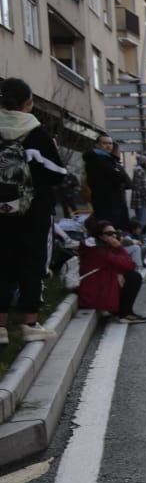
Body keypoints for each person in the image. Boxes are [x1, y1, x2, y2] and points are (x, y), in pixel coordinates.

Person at [0, 78, 69, 342]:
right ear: (28, 103)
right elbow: (59, 174)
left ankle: (1, 327)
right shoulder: (37, 134)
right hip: (34, 211)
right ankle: (30, 323)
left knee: (2, 263)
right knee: (33, 263)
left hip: (1, 212)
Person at [77, 217, 146, 323]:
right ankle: (124, 314)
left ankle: (125, 313)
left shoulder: (102, 247)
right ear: (100, 236)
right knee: (134, 277)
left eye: (114, 233)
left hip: (97, 288)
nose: (114, 235)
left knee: (130, 275)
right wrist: (120, 248)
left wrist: (119, 273)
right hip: (95, 293)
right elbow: (130, 265)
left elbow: (125, 266)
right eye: (109, 233)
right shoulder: (98, 250)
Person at [83, 134, 130, 229]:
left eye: (110, 143)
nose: (108, 146)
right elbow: (120, 177)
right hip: (107, 202)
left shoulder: (108, 159)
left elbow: (124, 179)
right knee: (109, 229)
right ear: (97, 145)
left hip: (115, 201)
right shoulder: (99, 159)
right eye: (104, 143)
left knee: (117, 228)